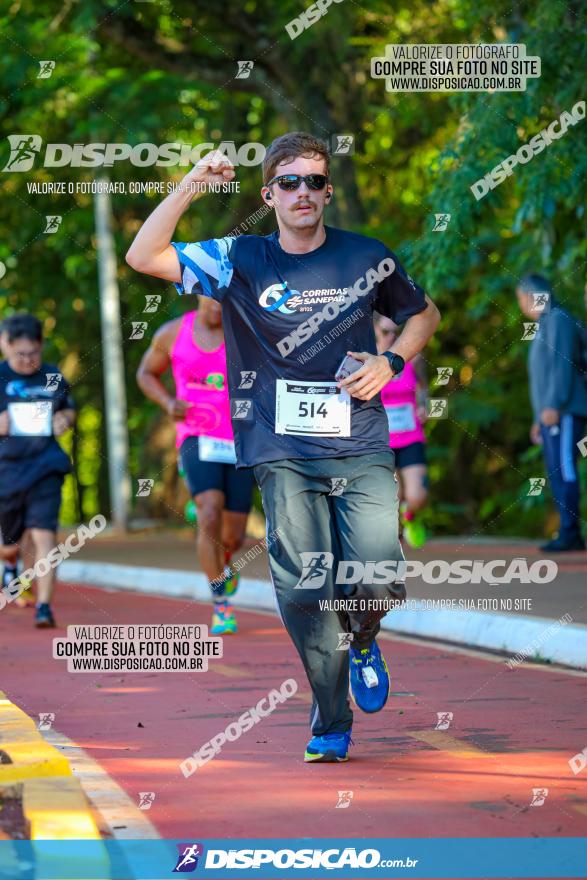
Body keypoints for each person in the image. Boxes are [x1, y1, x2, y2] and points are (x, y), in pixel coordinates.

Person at [126, 132, 440, 763]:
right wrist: (191, 182)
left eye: (315, 182)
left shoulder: (366, 256)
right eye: (290, 182)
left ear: (327, 192)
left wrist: (391, 361)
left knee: (375, 576)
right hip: (280, 445)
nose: (304, 193)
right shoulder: (239, 258)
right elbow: (143, 255)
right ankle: (331, 719)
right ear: (269, 194)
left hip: (360, 439)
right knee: (303, 589)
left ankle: (366, 634)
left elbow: (423, 314)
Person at [136, 300, 255, 634]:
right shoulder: (173, 332)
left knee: (233, 536)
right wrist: (168, 402)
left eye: (224, 297)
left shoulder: (243, 330)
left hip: (237, 438)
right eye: (211, 297)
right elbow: (145, 373)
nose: (218, 306)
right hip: (196, 435)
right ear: (198, 294)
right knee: (210, 512)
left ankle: (225, 562)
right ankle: (221, 603)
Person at [0, 313, 76, 626]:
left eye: (33, 353)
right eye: (20, 354)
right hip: (7, 471)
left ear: (41, 346)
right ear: (6, 347)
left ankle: (44, 607)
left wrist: (65, 421)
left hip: (46, 466)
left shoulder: (53, 376)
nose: (28, 360)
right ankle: (9, 564)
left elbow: (69, 409)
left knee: (45, 536)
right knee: (8, 546)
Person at [516, 273, 587, 551]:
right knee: (556, 470)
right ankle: (567, 532)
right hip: (551, 413)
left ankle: (571, 533)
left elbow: (561, 366)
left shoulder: (557, 319)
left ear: (534, 296)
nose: (522, 306)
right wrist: (538, 418)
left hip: (566, 409)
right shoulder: (546, 325)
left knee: (565, 467)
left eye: (521, 299)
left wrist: (553, 405)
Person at [374, 314, 429, 548]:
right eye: (386, 332)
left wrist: (424, 405)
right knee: (391, 496)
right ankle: (392, 535)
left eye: (395, 332)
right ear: (374, 331)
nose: (392, 337)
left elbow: (423, 389)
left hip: (410, 437)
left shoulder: (412, 359)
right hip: (382, 441)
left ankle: (411, 517)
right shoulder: (366, 362)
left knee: (417, 496)